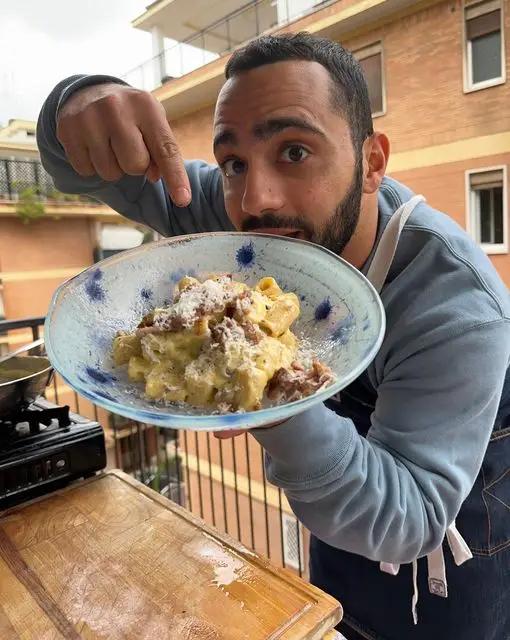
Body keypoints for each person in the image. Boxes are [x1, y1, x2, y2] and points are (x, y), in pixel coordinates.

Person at [37, 32, 510, 640]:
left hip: (449, 572)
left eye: (294, 152)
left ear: (372, 163)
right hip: (337, 544)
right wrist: (79, 101)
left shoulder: (454, 300)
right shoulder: (254, 220)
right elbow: (82, 167)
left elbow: (411, 518)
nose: (255, 198)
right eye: (234, 161)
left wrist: (259, 381)